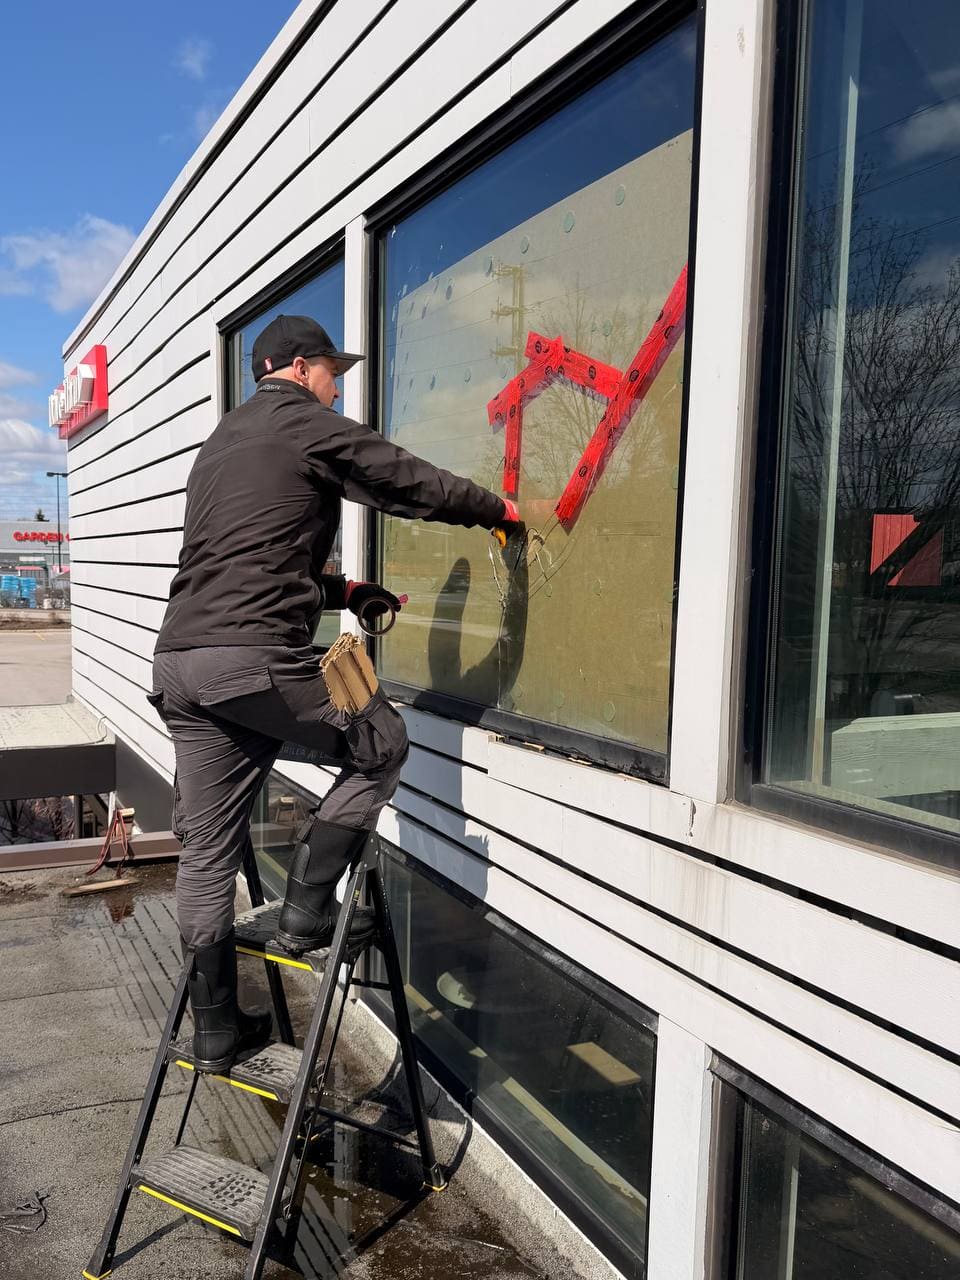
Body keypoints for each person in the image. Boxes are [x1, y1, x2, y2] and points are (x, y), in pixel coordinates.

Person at [149, 314, 520, 1073]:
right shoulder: (301, 422)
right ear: (297, 368)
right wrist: (495, 510)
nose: (338, 387)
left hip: (182, 664)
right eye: (331, 372)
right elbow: (400, 477)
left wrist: (345, 591)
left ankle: (215, 1031)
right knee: (382, 743)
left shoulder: (221, 443)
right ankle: (305, 914)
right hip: (252, 660)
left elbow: (250, 559)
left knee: (208, 851)